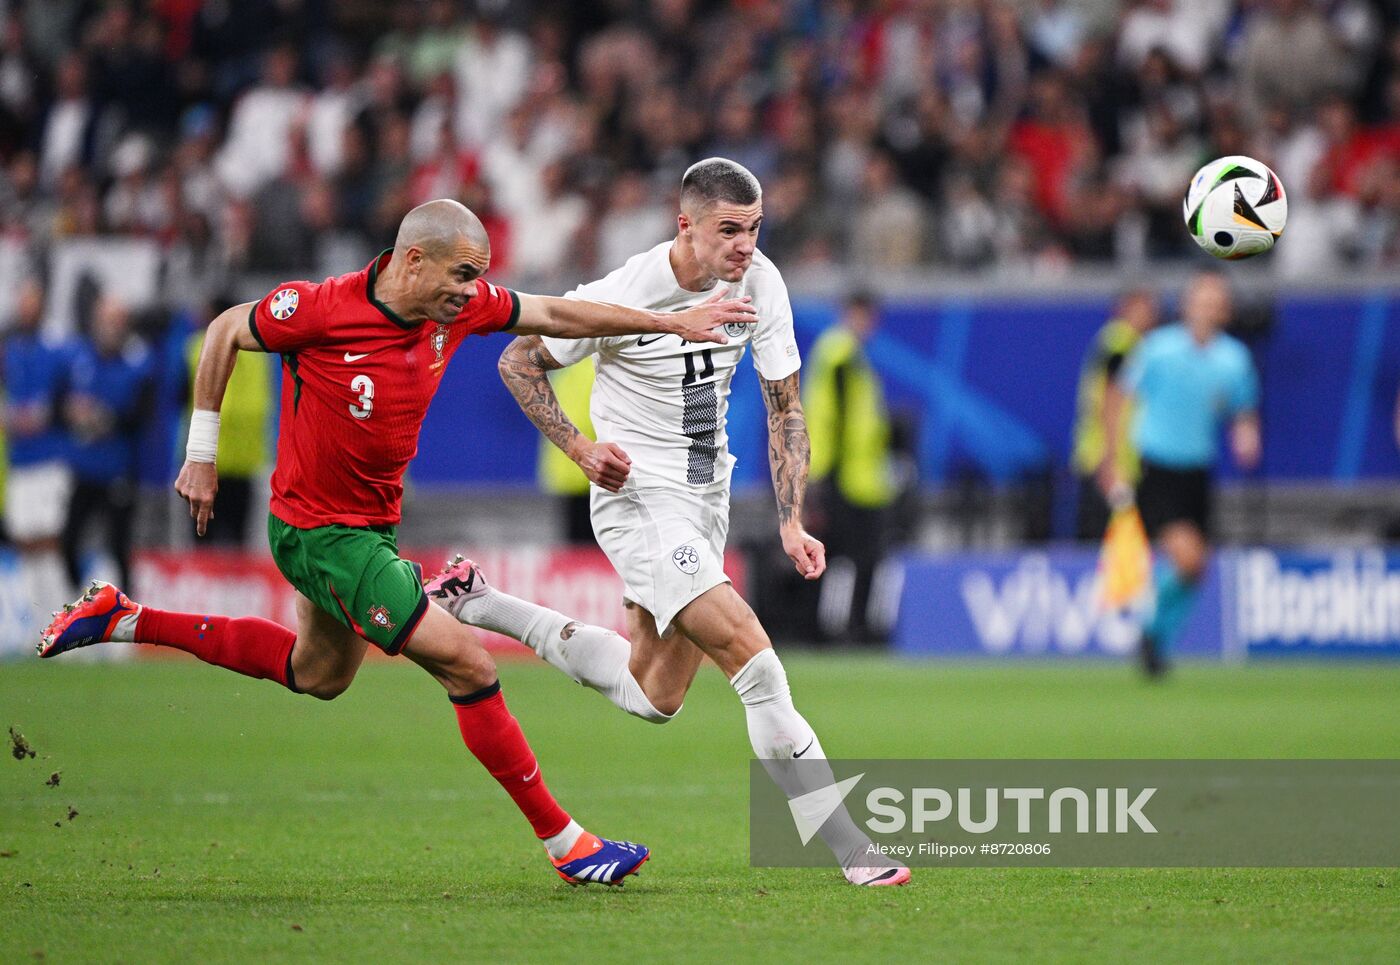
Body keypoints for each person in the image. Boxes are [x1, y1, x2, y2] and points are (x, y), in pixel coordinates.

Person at [39, 198, 756, 886]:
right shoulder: (322, 308)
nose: (473, 291)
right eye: (461, 274)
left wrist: (670, 323)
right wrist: (201, 450)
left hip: (368, 524)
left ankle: (122, 616)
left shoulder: (461, 306)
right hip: (322, 534)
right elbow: (228, 327)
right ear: (414, 261)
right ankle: (567, 843)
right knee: (468, 664)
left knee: (318, 673)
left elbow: (558, 311)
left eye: (478, 275)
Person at [431, 158, 909, 886]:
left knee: (655, 694)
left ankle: (481, 602)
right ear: (685, 224)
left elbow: (784, 408)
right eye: (729, 230)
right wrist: (580, 446)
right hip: (639, 501)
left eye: (754, 228)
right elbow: (518, 360)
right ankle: (850, 848)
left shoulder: (763, 282)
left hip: (703, 501)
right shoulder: (628, 289)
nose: (745, 245)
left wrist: (790, 520)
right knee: (756, 659)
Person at [1111, 271, 1260, 676]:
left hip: (1198, 469)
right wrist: (1114, 462)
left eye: (1217, 301)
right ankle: (1148, 631)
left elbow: (1242, 410)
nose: (1209, 308)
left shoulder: (1234, 359)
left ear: (1225, 311)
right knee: (1187, 554)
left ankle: (1153, 639)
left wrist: (1246, 436)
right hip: (1157, 467)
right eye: (1202, 299)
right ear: (1186, 305)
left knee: (1196, 569)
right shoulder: (1158, 350)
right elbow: (1121, 399)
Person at [803, 290, 898, 643]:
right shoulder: (842, 356)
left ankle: (831, 627)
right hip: (845, 476)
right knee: (852, 555)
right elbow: (835, 419)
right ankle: (842, 628)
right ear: (848, 313)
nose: (866, 323)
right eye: (861, 314)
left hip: (859, 475)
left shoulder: (848, 356)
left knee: (848, 555)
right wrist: (825, 477)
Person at [61, 295, 156, 593]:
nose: (109, 328)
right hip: (85, 467)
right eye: (105, 321)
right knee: (68, 540)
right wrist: (71, 411)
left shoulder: (138, 363)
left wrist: (107, 419)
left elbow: (143, 416)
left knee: (118, 545)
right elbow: (59, 403)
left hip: (118, 469)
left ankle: (129, 617)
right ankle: (75, 604)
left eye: (115, 321)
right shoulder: (80, 358)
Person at [2, 279, 73, 622]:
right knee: (24, 541)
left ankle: (61, 617)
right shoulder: (11, 349)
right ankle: (35, 624)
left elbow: (69, 399)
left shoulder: (57, 348)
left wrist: (50, 414)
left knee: (49, 540)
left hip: (49, 459)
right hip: (20, 461)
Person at [1071, 288, 1159, 541]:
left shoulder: (1113, 341)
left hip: (1104, 457)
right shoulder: (1122, 343)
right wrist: (1111, 461)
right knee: (1108, 542)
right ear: (1127, 307)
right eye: (1146, 307)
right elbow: (1112, 401)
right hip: (1109, 460)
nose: (1152, 315)